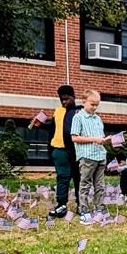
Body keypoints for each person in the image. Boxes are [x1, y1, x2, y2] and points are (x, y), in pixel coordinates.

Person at [29, 85, 81, 218]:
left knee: (79, 178)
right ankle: (61, 206)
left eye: (67, 99)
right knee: (62, 178)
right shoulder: (58, 111)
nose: (64, 102)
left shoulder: (79, 111)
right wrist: (41, 125)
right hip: (60, 150)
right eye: (61, 99)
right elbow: (53, 126)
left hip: (77, 150)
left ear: (73, 97)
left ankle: (81, 205)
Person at [69, 90, 109, 218]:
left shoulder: (98, 118)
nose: (95, 107)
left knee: (100, 185)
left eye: (97, 104)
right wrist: (93, 139)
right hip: (87, 156)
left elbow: (100, 137)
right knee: (85, 184)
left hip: (100, 155)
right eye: (92, 104)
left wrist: (105, 140)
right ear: (84, 102)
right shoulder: (78, 117)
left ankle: (99, 208)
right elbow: (74, 138)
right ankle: (84, 210)